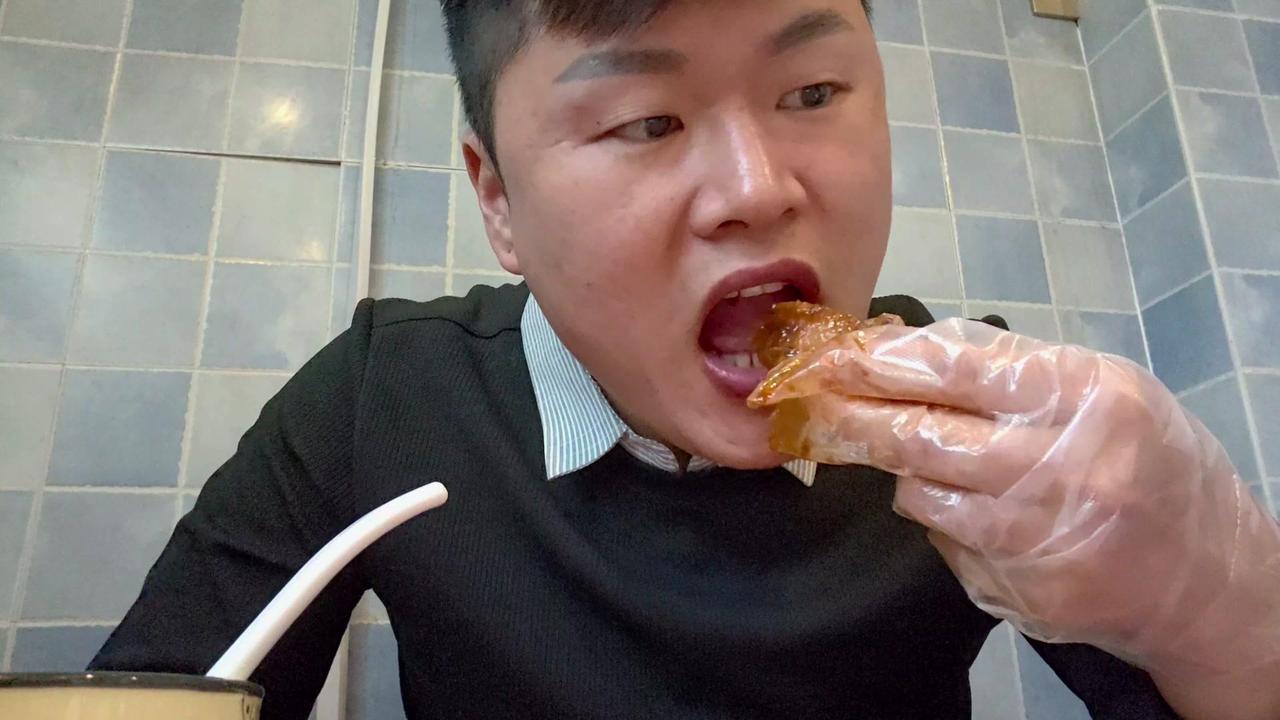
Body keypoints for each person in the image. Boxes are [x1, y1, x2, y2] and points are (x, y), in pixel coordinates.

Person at [92, 2, 1280, 718]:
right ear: (497, 199)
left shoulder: (969, 421)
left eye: (810, 91)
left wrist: (1225, 613)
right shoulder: (378, 402)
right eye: (646, 122)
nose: (758, 189)